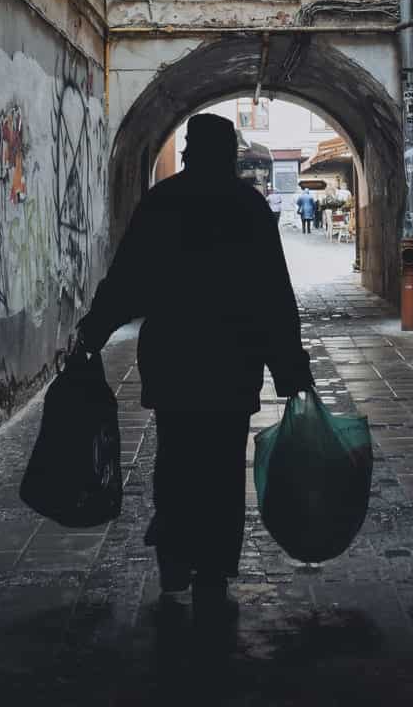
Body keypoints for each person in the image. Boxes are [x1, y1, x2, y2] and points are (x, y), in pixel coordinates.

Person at [74, 114, 312, 608]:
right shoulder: (247, 206)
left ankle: (175, 557)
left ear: (187, 155)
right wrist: (290, 367)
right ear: (230, 157)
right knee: (223, 468)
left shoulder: (162, 202)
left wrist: (94, 331)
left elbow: (127, 278)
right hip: (233, 363)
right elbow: (272, 294)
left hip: (174, 360)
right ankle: (213, 571)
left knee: (176, 459)